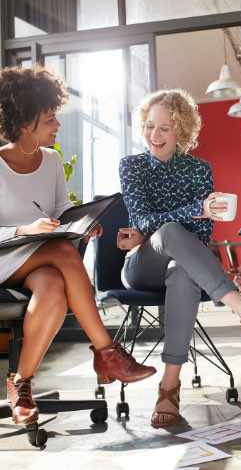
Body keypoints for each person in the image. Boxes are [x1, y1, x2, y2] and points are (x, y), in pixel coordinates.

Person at [117, 89, 241, 428]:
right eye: (149, 126)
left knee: (183, 273)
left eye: (165, 128)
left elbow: (200, 238)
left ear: (180, 132)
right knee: (168, 231)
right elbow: (142, 220)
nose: (154, 135)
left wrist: (192, 218)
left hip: (180, 265)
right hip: (141, 265)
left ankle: (169, 388)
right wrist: (195, 211)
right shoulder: (132, 166)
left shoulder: (199, 170)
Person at [0, 66, 156, 426]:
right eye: (50, 118)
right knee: (61, 253)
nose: (57, 125)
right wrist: (25, 228)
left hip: (38, 262)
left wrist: (82, 226)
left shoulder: (51, 160)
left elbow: (58, 212)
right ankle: (107, 352)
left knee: (54, 286)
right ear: (25, 123)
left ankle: (20, 384)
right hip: (5, 258)